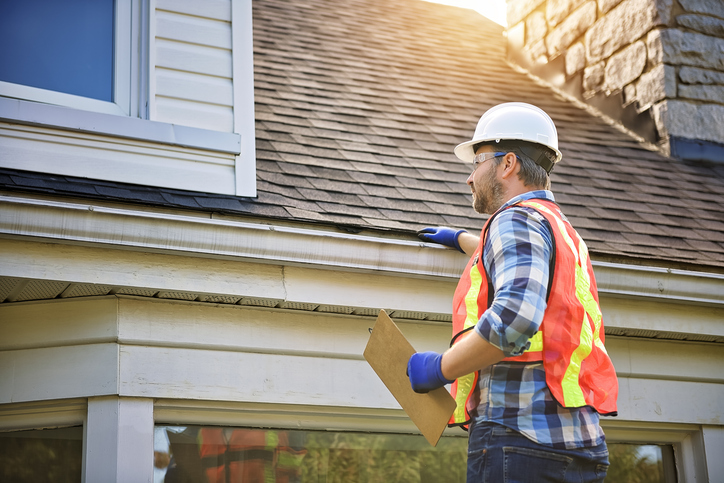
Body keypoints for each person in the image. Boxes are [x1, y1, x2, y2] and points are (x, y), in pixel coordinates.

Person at [407, 102, 618, 482]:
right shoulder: (561, 230)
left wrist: (440, 368)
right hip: (576, 445)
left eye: (477, 163)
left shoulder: (514, 220)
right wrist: (467, 241)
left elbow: (515, 320)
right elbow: (529, 263)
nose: (470, 178)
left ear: (507, 164)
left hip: (521, 438)